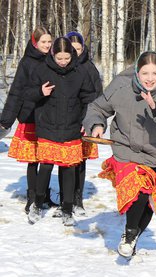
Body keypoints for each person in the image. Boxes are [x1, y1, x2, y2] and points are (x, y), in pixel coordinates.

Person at [83, 51, 156, 259]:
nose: (150, 78)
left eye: (155, 73)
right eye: (145, 73)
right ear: (137, 73)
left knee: (147, 203)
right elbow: (97, 108)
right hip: (126, 151)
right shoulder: (122, 87)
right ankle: (129, 235)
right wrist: (96, 124)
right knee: (138, 192)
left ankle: (134, 236)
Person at [24, 37, 96, 226]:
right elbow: (27, 94)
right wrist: (40, 92)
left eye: (66, 58)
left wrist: (85, 120)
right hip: (47, 126)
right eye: (59, 58)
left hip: (72, 126)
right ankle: (37, 204)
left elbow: (90, 97)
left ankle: (67, 209)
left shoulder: (80, 72)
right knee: (46, 167)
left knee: (69, 168)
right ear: (52, 55)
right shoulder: (41, 69)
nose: (63, 62)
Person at [0, 26, 56, 213]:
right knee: (33, 160)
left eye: (49, 41)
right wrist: (6, 120)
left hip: (49, 116)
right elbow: (17, 92)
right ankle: (32, 197)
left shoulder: (53, 59)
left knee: (48, 158)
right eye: (43, 42)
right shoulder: (27, 62)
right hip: (31, 115)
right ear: (35, 42)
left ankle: (44, 195)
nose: (47, 45)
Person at [49, 31, 103, 217]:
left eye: (78, 49)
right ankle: (65, 198)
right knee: (64, 161)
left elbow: (95, 97)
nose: (76, 53)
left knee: (80, 162)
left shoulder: (88, 68)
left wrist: (87, 120)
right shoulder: (61, 69)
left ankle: (77, 199)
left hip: (83, 122)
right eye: (73, 50)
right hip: (66, 124)